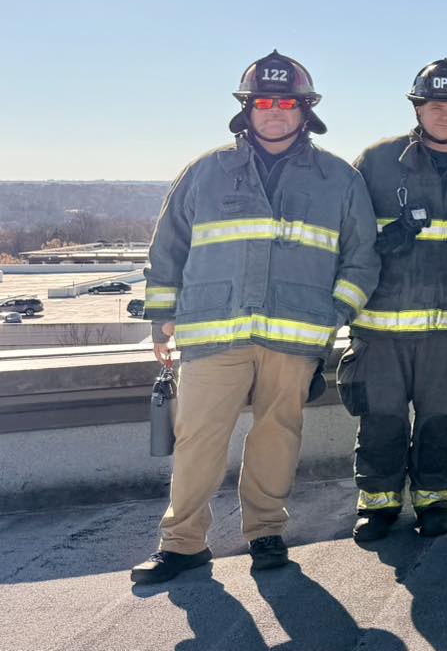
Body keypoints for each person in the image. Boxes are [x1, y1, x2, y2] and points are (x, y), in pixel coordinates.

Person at [131, 51, 379, 584]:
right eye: (264, 102)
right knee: (197, 438)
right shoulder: (205, 172)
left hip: (294, 335)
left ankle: (265, 533)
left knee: (277, 435)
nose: (274, 112)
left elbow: (363, 259)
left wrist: (333, 314)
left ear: (305, 111)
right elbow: (168, 249)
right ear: (247, 108)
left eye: (286, 104)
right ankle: (182, 544)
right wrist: (161, 318)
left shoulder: (338, 178)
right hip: (213, 331)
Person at [343, 59, 447, 542]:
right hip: (381, 328)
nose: (446, 115)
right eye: (435, 105)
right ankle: (378, 505)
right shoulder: (376, 163)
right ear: (417, 109)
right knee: (381, 419)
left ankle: (435, 502)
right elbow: (348, 237)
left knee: (442, 421)